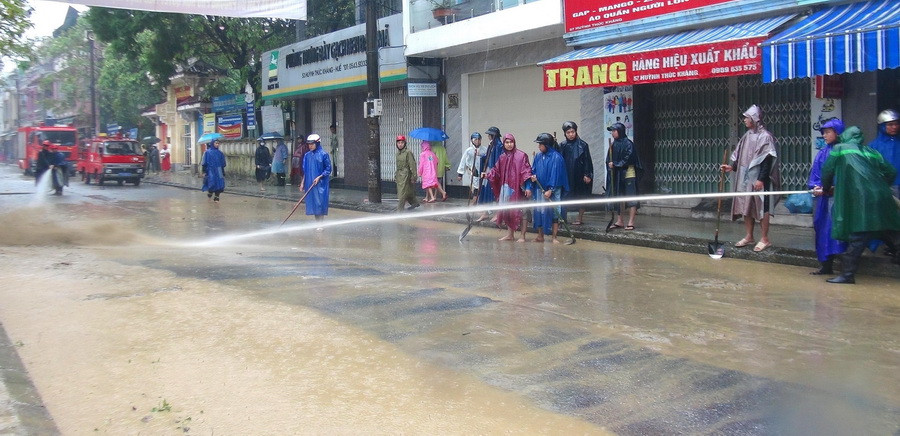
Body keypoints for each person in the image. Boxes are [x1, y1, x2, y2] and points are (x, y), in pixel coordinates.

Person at [820, 125, 900, 283]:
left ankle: (847, 275)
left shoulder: (840, 148)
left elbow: (827, 171)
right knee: (891, 233)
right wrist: (880, 186)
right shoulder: (872, 151)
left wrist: (826, 188)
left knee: (858, 237)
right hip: (883, 197)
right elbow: (891, 172)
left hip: (862, 199)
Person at [721, 104, 782, 252]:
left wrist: (761, 179)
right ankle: (749, 236)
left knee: (762, 208)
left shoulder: (765, 137)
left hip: (760, 179)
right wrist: (732, 167)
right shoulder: (746, 136)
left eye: (746, 118)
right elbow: (742, 156)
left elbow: (767, 160)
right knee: (746, 206)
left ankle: (764, 238)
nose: (744, 120)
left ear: (754, 119)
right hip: (745, 178)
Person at [808, 118, 847, 275]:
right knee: (822, 228)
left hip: (839, 198)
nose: (824, 135)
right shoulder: (822, 153)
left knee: (839, 229)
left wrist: (834, 188)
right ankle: (826, 265)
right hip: (823, 198)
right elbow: (815, 174)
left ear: (837, 132)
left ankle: (847, 270)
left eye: (828, 132)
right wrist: (816, 186)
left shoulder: (845, 151)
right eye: (823, 132)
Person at [485, 133, 532, 242]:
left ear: (514, 142)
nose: (509, 144)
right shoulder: (502, 157)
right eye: (507, 142)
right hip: (507, 190)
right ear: (504, 143)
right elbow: (496, 172)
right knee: (508, 211)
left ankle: (522, 236)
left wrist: (528, 187)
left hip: (520, 189)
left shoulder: (522, 155)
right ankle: (510, 235)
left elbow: (527, 172)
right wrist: (487, 174)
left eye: (511, 142)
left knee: (523, 211)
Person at [528, 133, 569, 243]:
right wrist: (533, 176)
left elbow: (556, 175)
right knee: (539, 211)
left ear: (547, 145)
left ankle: (554, 237)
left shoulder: (556, 157)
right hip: (540, 189)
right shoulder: (537, 156)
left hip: (553, 190)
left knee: (555, 213)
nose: (539, 147)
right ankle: (540, 235)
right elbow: (534, 169)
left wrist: (551, 189)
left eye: (540, 144)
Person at [606, 122, 642, 231]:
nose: (612, 133)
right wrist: (610, 165)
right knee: (619, 197)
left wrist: (616, 164)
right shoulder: (613, 144)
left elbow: (629, 158)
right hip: (617, 174)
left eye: (614, 131)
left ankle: (631, 222)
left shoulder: (628, 144)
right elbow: (608, 159)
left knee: (631, 197)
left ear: (620, 131)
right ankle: (619, 220)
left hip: (628, 173)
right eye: (612, 131)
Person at [559, 121, 593, 225]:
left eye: (572, 132)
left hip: (579, 174)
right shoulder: (562, 145)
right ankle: (563, 217)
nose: (570, 134)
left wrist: (587, 174)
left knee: (581, 195)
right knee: (564, 196)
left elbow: (587, 160)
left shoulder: (583, 145)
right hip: (566, 175)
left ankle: (580, 218)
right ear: (565, 133)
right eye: (568, 132)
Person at [300, 134, 332, 226]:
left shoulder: (323, 155)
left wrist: (320, 177)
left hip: (321, 184)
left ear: (317, 143)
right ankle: (317, 223)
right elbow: (305, 170)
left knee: (320, 203)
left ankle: (320, 224)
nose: (310, 146)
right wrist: (302, 183)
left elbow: (328, 169)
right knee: (313, 204)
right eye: (309, 144)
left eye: (312, 144)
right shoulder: (307, 156)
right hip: (310, 182)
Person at [869, 109, 899, 198]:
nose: (894, 127)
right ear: (882, 126)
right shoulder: (873, 146)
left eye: (896, 123)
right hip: (883, 185)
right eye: (890, 124)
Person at [476, 126, 504, 221]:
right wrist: (482, 156)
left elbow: (498, 160)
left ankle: (497, 213)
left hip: (494, 173)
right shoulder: (491, 144)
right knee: (486, 192)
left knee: (495, 193)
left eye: (489, 135)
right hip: (488, 171)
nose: (488, 136)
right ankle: (486, 212)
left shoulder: (499, 146)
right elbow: (488, 156)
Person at [456, 132, 485, 205]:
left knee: (481, 187)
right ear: (472, 140)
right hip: (473, 172)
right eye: (475, 140)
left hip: (482, 172)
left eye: (479, 139)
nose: (477, 141)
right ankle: (474, 201)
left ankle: (478, 201)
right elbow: (463, 162)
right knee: (475, 187)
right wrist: (460, 174)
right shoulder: (469, 151)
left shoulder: (484, 149)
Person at [394, 135, 420, 211]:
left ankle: (400, 210)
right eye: (398, 143)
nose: (400, 144)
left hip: (406, 175)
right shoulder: (398, 154)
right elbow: (398, 166)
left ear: (405, 143)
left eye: (402, 142)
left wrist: (414, 176)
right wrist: (396, 175)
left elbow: (412, 164)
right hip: (400, 175)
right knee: (408, 191)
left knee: (402, 193)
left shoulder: (408, 152)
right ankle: (415, 203)